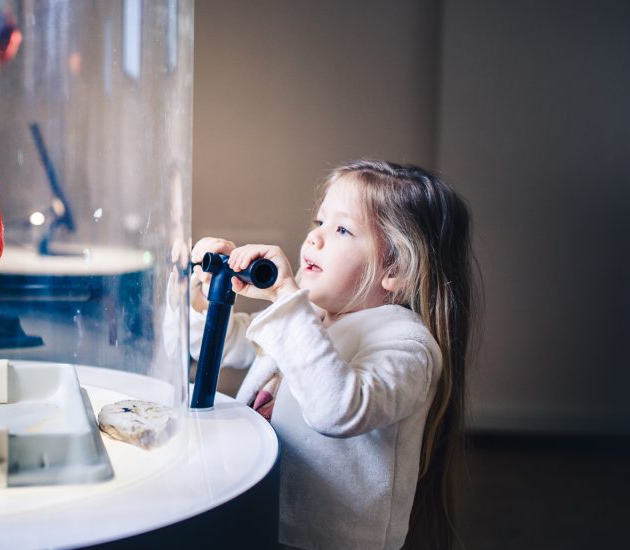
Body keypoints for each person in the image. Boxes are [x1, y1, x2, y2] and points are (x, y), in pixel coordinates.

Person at [189, 159, 477, 550]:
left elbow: (337, 409)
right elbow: (222, 345)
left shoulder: (410, 346)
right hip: (266, 519)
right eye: (318, 223)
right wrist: (200, 290)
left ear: (396, 267)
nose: (315, 239)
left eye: (341, 229)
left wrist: (285, 299)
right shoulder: (312, 321)